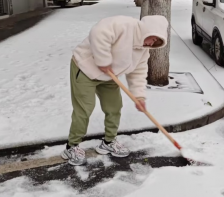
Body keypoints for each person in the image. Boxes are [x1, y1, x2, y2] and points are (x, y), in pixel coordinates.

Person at [61, 15, 169, 166]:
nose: (151, 43)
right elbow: (98, 33)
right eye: (153, 38)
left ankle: (108, 142)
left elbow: (138, 73)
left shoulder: (144, 51)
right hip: (85, 69)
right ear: (147, 29)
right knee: (84, 109)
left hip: (109, 76)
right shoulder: (124, 25)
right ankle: (71, 146)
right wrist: (103, 60)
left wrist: (139, 96)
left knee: (114, 107)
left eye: (156, 42)